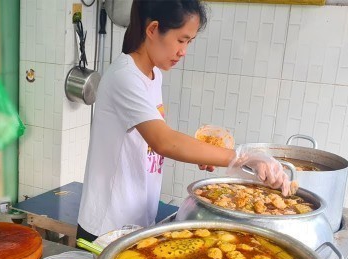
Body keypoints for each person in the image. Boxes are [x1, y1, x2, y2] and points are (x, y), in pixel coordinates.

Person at [77, 0, 291, 241]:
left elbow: (154, 135)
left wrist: (203, 153)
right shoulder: (125, 77)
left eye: (189, 42)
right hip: (106, 226)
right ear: (153, 29)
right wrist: (240, 157)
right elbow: (164, 141)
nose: (184, 51)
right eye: (181, 40)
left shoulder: (152, 74)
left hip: (135, 220)